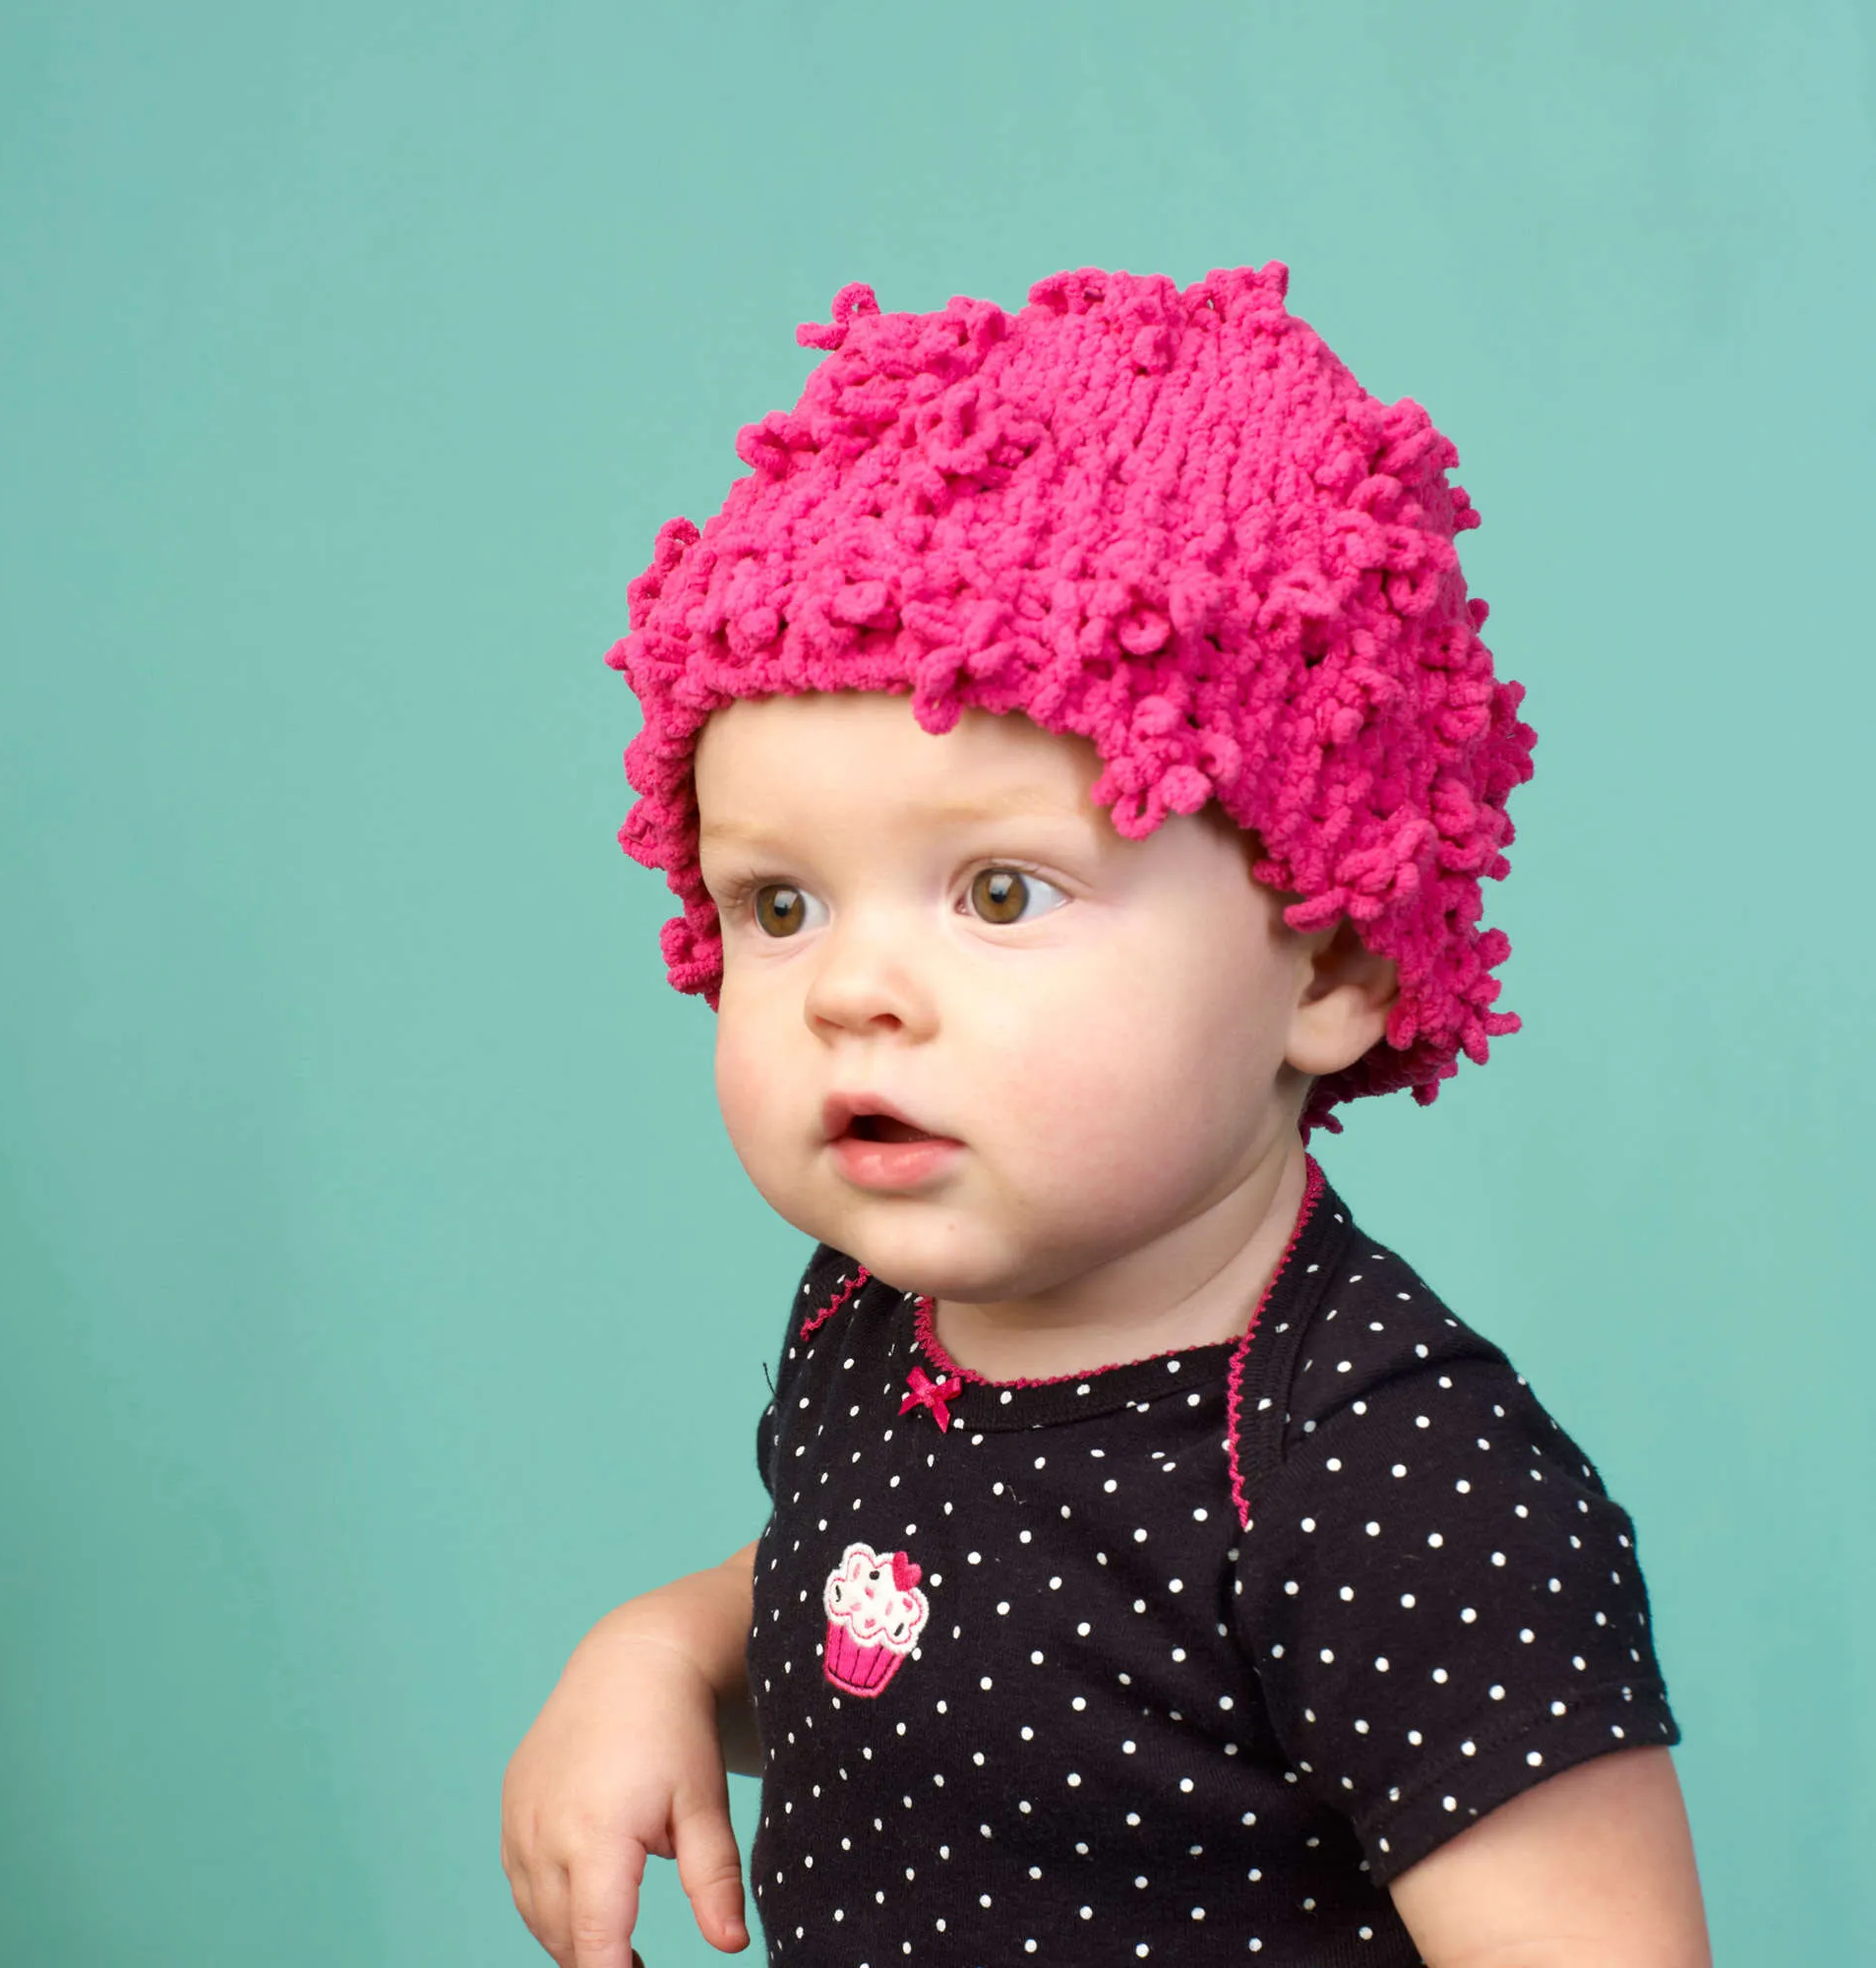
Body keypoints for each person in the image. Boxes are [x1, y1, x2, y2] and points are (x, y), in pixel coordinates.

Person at [501, 266, 1712, 1967]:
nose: (853, 989)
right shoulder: (872, 1322)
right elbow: (889, 1625)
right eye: (781, 905)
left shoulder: (1385, 1483)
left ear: (1332, 955)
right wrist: (670, 1657)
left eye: (999, 891)